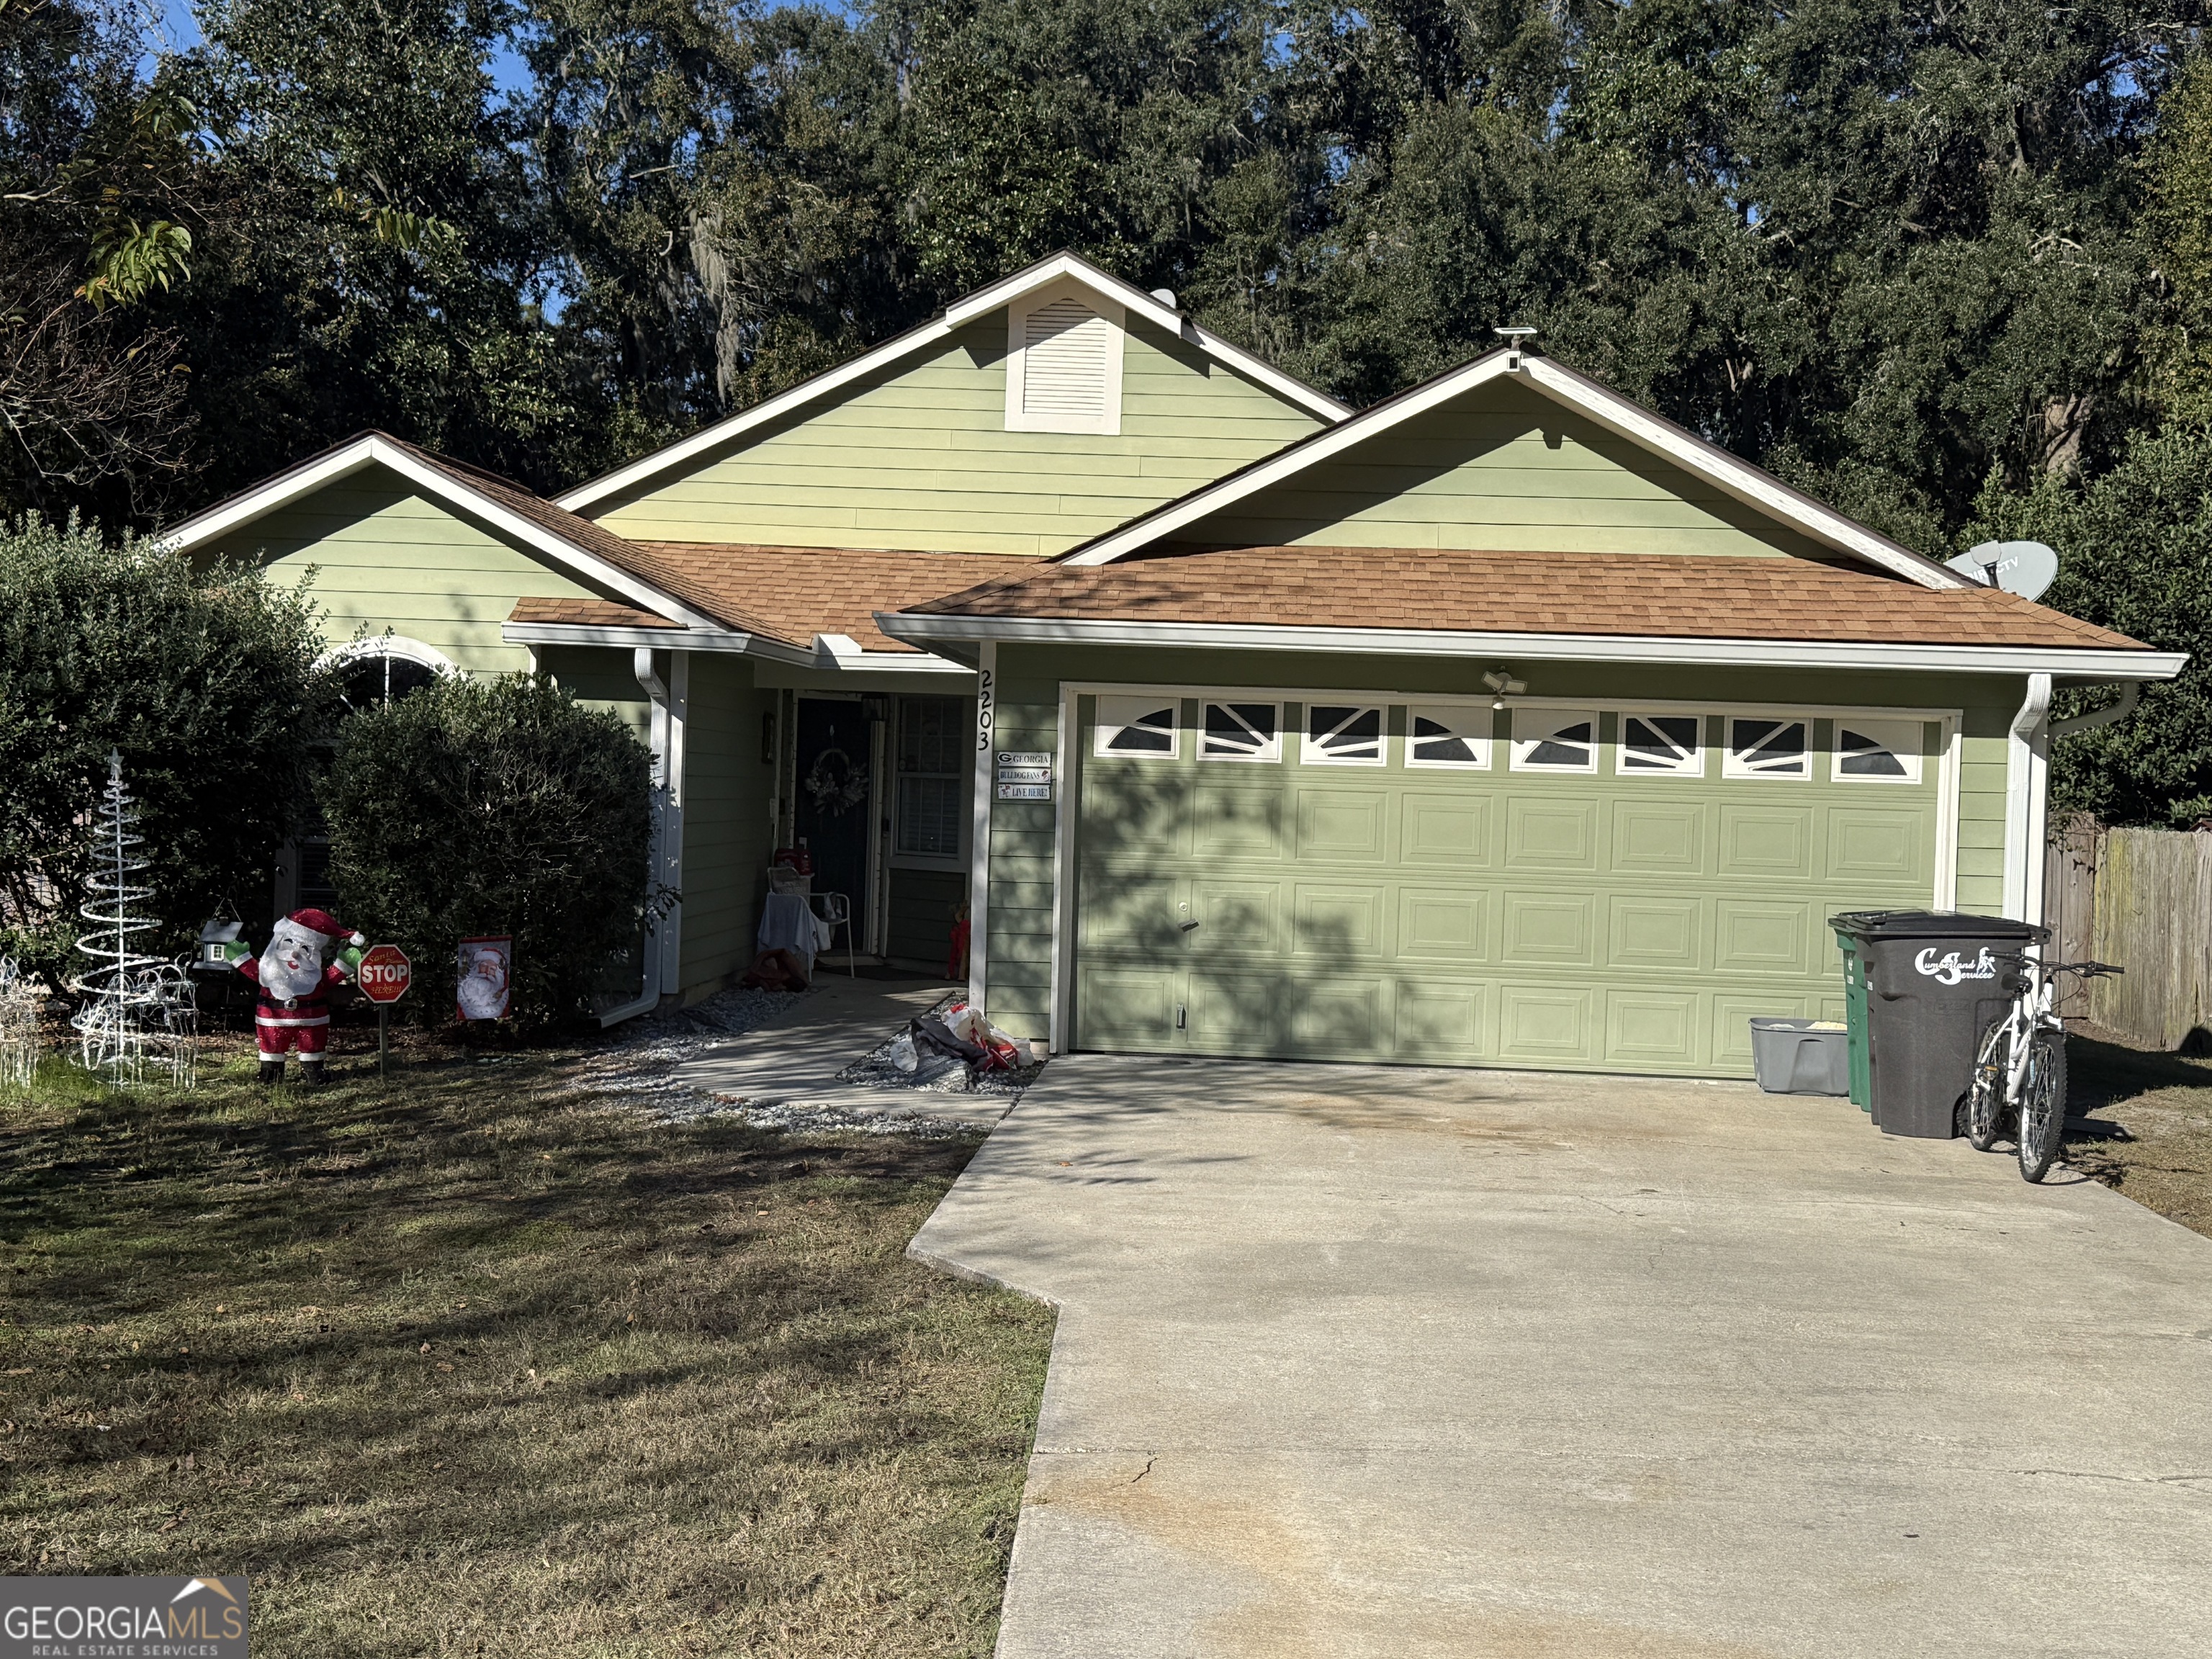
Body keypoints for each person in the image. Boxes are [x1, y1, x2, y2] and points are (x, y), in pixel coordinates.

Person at [230, 909, 364, 1087]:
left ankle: (314, 1072)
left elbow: (326, 981)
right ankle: (271, 1073)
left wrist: (343, 966)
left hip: (312, 1019)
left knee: (313, 1044)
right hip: (272, 1019)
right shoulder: (268, 971)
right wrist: (240, 958)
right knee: (272, 1046)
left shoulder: (313, 978)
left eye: (305, 949)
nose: (294, 954)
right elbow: (256, 972)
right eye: (289, 943)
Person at [458, 943, 510, 1020]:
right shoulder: (461, 990)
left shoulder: (501, 997)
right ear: (477, 968)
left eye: (492, 969)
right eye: (484, 966)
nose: (487, 972)